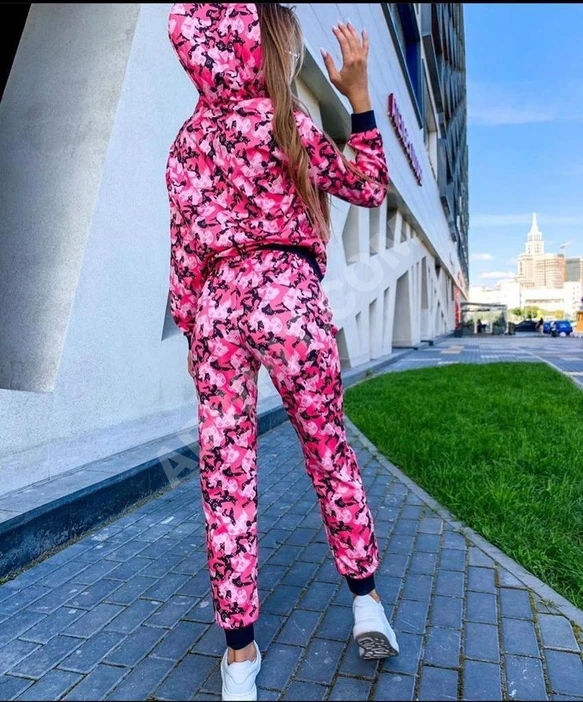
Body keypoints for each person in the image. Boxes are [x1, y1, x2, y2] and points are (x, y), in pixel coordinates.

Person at [166, 4, 399, 700]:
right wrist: (359, 98)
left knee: (225, 473)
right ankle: (366, 603)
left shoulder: (185, 144)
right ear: (271, 50)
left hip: (218, 306)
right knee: (327, 449)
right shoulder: (283, 121)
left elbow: (183, 256)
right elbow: (368, 184)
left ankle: (240, 658)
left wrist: (193, 330)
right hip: (288, 296)